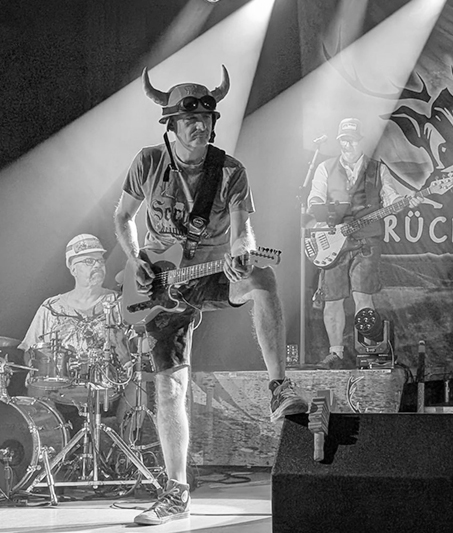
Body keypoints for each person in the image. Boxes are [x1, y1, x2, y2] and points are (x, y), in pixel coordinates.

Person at [114, 67, 308, 526]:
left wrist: (241, 253)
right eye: (190, 120)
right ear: (171, 125)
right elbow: (122, 218)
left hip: (212, 272)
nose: (199, 127)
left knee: (262, 279)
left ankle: (278, 387)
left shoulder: (230, 170)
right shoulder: (148, 163)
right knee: (170, 387)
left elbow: (244, 232)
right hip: (160, 283)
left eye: (206, 119)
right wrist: (136, 258)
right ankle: (176, 491)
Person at [306, 118, 421, 369]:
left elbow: (391, 198)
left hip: (367, 240)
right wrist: (321, 212)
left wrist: (405, 201)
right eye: (343, 140)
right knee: (332, 298)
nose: (347, 144)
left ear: (360, 141)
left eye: (351, 140)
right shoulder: (325, 167)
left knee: (362, 295)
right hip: (334, 239)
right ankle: (335, 354)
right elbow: (315, 197)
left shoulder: (377, 169)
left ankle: (368, 351)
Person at [18, 234, 138, 442]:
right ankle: (49, 450)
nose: (97, 265)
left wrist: (124, 350)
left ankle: (126, 451)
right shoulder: (51, 307)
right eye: (89, 261)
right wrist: (36, 369)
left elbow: (135, 349)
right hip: (60, 388)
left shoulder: (119, 303)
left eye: (100, 261)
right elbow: (29, 352)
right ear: (73, 269)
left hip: (108, 385)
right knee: (36, 384)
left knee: (137, 385)